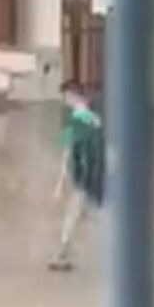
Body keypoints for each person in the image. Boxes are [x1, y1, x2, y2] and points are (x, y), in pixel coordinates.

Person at [49, 83, 106, 272]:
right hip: (97, 173)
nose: (65, 101)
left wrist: (59, 182)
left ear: (71, 97)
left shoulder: (73, 120)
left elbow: (65, 150)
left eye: (66, 97)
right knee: (93, 211)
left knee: (74, 213)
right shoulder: (96, 119)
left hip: (82, 174)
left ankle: (63, 253)